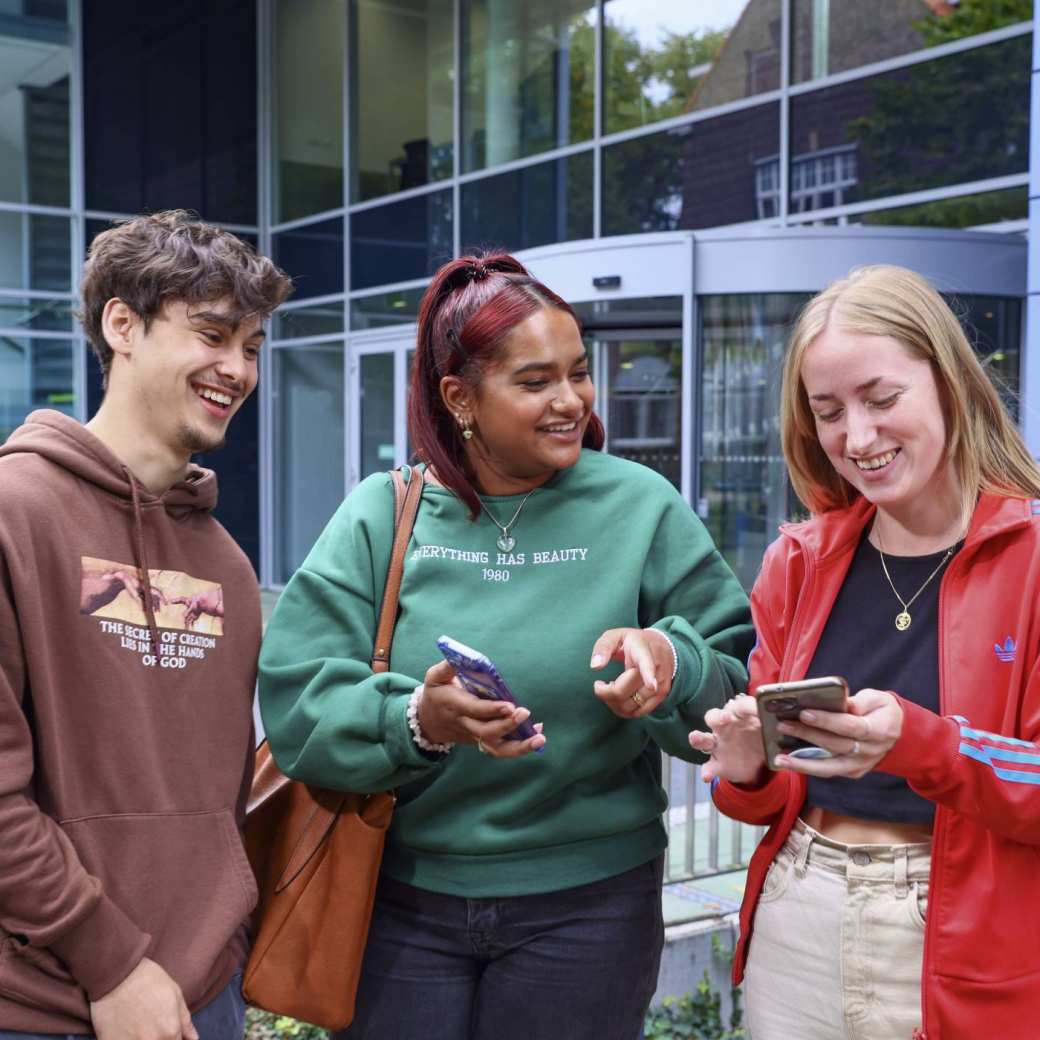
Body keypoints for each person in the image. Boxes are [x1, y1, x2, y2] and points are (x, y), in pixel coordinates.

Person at [258, 251, 753, 1040]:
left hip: (591, 908)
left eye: (578, 372)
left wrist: (673, 664)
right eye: (534, 382)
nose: (571, 401)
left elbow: (739, 684)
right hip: (397, 904)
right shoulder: (384, 513)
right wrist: (419, 719)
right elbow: (297, 702)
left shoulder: (641, 505)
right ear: (459, 397)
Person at [689, 265, 1040, 1040]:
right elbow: (771, 795)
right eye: (829, 411)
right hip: (798, 911)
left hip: (962, 934)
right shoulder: (800, 561)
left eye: (882, 400)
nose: (858, 437)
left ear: (949, 382)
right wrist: (744, 765)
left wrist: (921, 743)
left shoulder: (1033, 557)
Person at [0, 210, 292, 1040]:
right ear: (120, 324)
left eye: (252, 347)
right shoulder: (14, 515)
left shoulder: (226, 566)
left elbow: (216, 798)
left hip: (203, 998)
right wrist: (112, 964)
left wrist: (216, 950)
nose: (236, 369)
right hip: (41, 1006)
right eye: (211, 334)